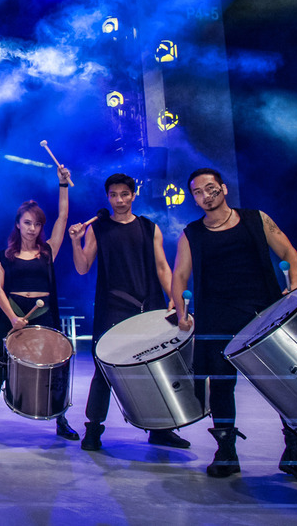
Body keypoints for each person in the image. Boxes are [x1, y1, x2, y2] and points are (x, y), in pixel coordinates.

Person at [171, 168, 297, 486]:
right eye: (198, 192)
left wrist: (295, 289)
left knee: (284, 383)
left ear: (224, 188)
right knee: (221, 386)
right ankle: (226, 453)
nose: (205, 195)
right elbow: (180, 276)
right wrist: (182, 311)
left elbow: (289, 254)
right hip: (216, 317)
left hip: (263, 313)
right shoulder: (191, 234)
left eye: (210, 188)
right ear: (194, 198)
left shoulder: (256, 219)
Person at [69, 173, 186, 451]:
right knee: (104, 369)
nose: (119, 200)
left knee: (155, 367)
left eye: (124, 194)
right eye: (113, 195)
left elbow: (162, 267)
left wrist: (174, 299)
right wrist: (75, 241)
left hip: (149, 305)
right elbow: (83, 267)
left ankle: (161, 429)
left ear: (134, 195)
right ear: (107, 197)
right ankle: (93, 429)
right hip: (112, 307)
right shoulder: (98, 228)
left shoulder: (149, 227)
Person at [0, 164, 77, 445]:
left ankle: (61, 419)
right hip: (13, 315)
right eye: (28, 223)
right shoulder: (4, 255)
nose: (32, 228)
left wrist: (63, 185)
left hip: (43, 315)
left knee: (54, 366)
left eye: (37, 224)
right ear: (18, 224)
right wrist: (13, 318)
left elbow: (63, 217)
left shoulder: (47, 251)